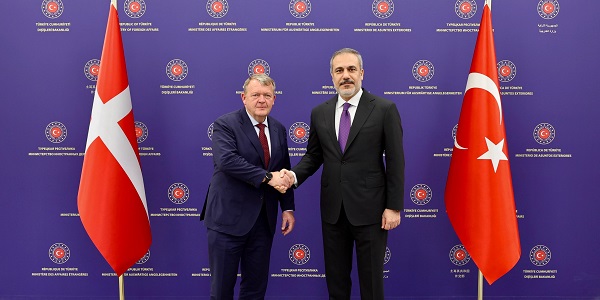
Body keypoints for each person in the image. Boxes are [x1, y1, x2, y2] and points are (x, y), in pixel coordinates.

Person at [282, 48, 404, 300]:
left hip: (371, 212)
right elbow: (314, 156)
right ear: (332, 76)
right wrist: (293, 177)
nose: (345, 75)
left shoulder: (384, 109)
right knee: (336, 283)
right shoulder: (320, 112)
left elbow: (395, 161)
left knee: (371, 284)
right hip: (333, 212)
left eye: (351, 69)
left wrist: (393, 207)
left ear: (361, 73)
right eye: (339, 70)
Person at [201, 74, 295, 300]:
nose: (262, 100)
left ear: (274, 99)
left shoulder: (279, 129)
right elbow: (227, 161)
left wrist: (288, 208)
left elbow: (283, 169)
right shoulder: (225, 124)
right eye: (256, 95)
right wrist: (266, 177)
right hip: (227, 221)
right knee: (222, 291)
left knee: (255, 290)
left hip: (263, 222)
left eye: (267, 95)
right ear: (244, 98)